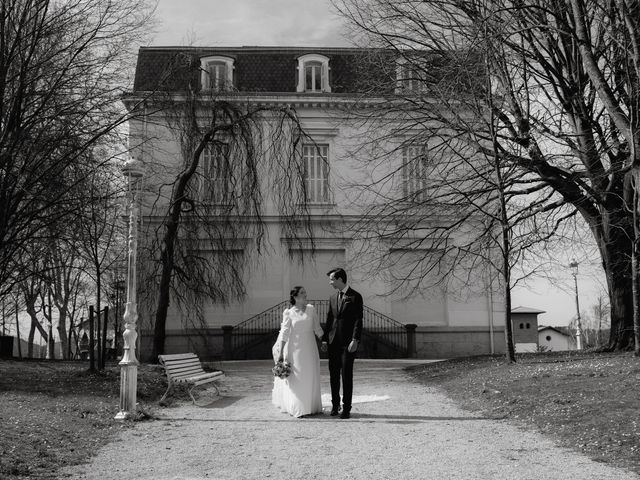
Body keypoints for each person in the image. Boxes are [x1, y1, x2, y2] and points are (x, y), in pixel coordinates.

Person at [272, 286, 324, 418]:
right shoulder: (288, 313)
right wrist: (280, 352)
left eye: (305, 292)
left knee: (309, 375)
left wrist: (324, 340)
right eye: (302, 293)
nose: (305, 294)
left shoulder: (311, 309)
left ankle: (311, 406)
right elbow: (284, 333)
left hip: (310, 348)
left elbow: (317, 328)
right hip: (294, 350)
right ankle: (298, 408)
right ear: (295, 297)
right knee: (298, 377)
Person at [321, 267, 363, 419]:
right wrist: (325, 339)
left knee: (346, 376)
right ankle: (335, 405)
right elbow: (329, 319)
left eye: (332, 279)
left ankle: (346, 408)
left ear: (340, 279)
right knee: (333, 376)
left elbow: (359, 320)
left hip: (348, 344)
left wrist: (355, 340)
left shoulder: (355, 296)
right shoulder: (332, 297)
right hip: (333, 343)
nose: (330, 282)